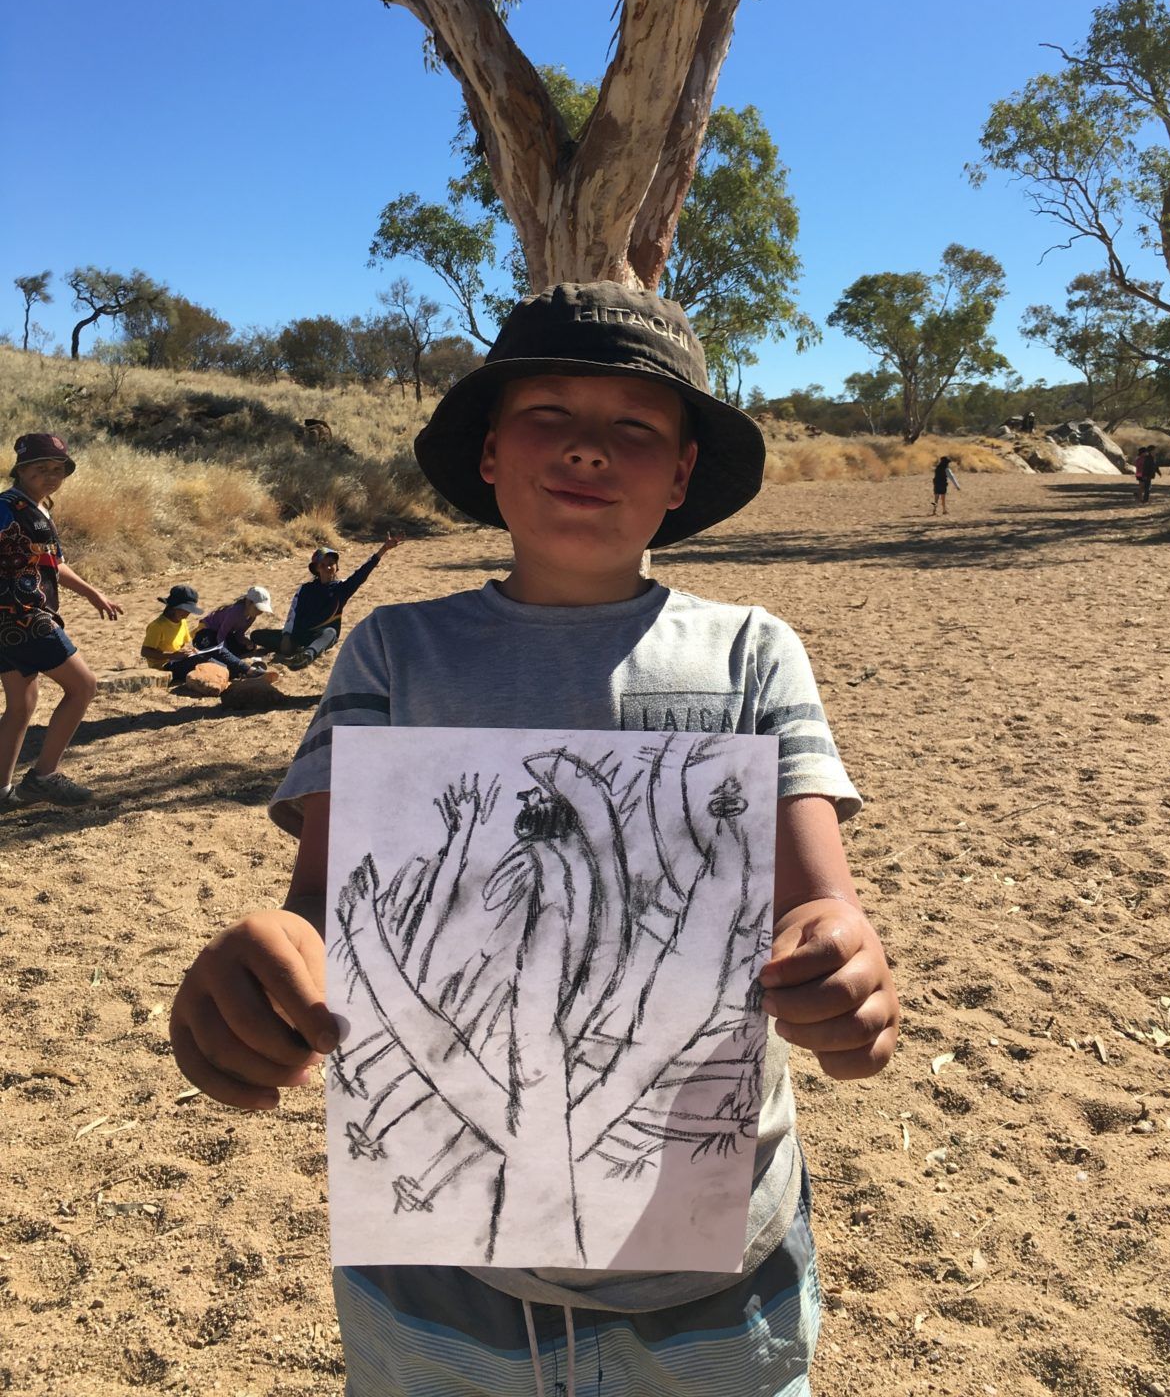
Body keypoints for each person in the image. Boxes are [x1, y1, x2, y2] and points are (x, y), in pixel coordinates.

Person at [169, 281, 900, 1397]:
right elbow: (322, 911)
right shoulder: (393, 656)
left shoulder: (757, 654)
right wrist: (258, 971)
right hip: (437, 1287)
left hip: (711, 1277)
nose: (591, 452)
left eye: (636, 429)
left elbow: (817, 903)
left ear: (683, 474)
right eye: (549, 415)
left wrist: (840, 966)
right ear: (494, 454)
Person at [0, 433, 122, 809]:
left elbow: (55, 564)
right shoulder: (6, 507)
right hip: (22, 616)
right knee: (83, 685)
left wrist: (90, 592)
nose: (51, 476)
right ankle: (44, 776)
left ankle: (2, 793)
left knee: (22, 702)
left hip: (17, 619)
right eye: (42, 469)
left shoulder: (39, 509)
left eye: (58, 470)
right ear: (21, 469)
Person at [278, 539, 401, 667]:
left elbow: (363, 572)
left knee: (331, 633)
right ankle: (294, 646)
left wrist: (383, 549)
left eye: (331, 563)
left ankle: (307, 655)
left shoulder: (342, 588)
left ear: (337, 567)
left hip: (322, 635)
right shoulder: (305, 589)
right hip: (299, 635)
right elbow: (293, 613)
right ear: (316, 568)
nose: (327, 567)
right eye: (322, 564)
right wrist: (287, 634)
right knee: (258, 635)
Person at [142, 585, 268, 684]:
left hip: (180, 659)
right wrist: (173, 655)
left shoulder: (182, 622)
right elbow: (145, 652)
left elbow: (184, 644)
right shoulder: (157, 626)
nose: (188, 614)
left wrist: (191, 651)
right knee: (212, 663)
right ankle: (247, 671)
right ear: (173, 607)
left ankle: (243, 672)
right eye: (186, 610)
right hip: (165, 666)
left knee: (216, 662)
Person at [196, 585, 274, 660]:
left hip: (224, 634)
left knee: (248, 648)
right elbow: (221, 634)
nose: (260, 612)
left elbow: (239, 634)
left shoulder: (252, 617)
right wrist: (226, 653)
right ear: (248, 602)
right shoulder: (235, 612)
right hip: (208, 629)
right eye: (258, 608)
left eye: (262, 610)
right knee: (217, 653)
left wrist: (246, 642)